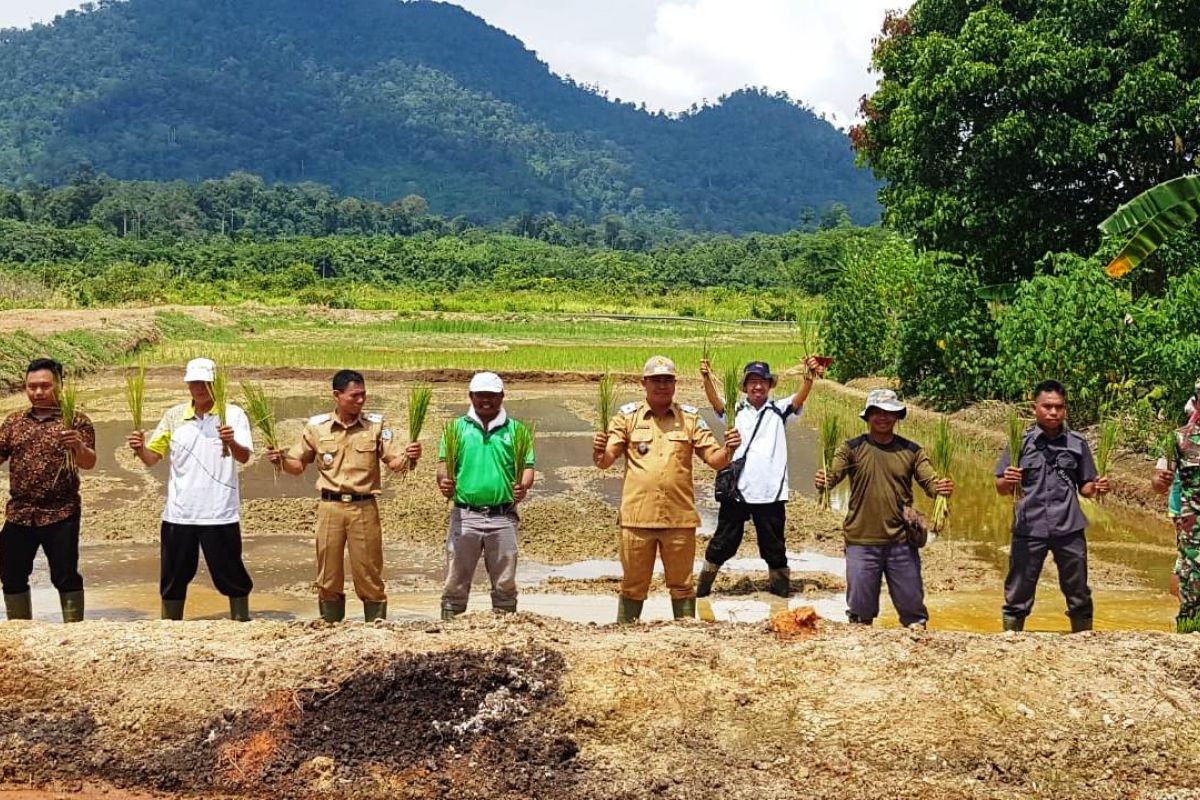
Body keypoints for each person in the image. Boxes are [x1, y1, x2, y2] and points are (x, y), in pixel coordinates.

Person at [592, 355, 741, 623]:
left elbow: (716, 461)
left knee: (683, 585)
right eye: (656, 380)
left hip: (679, 519)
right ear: (644, 383)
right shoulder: (627, 418)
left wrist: (729, 447)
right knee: (633, 586)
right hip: (637, 518)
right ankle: (625, 635)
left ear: (675, 384)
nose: (662, 385)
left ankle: (684, 638)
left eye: (667, 380)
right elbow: (605, 461)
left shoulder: (690, 419)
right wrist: (598, 449)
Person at [269, 370, 419, 623]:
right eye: (354, 396)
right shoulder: (316, 428)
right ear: (337, 396)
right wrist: (280, 460)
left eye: (363, 395)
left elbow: (394, 463)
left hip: (364, 508)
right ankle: (330, 626)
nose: (361, 401)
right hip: (331, 508)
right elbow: (296, 466)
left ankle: (375, 627)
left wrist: (410, 458)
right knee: (328, 575)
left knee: (368, 572)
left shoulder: (376, 426)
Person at [128, 358, 255, 621]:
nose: (199, 387)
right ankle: (171, 625)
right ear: (187, 383)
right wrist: (140, 449)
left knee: (231, 573)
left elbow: (244, 457)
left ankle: (241, 621)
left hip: (219, 512)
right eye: (194, 382)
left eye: (204, 381)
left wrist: (230, 442)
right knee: (173, 576)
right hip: (179, 514)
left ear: (215, 383)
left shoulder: (233, 415)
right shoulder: (175, 416)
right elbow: (153, 458)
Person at [814, 389, 953, 630]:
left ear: (897, 416)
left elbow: (930, 483)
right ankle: (861, 642)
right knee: (860, 609)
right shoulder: (852, 448)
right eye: (876, 412)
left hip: (901, 540)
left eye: (889, 412)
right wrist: (824, 480)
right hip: (861, 540)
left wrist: (941, 487)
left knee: (912, 606)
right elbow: (833, 474)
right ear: (867, 416)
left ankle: (917, 641)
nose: (882, 417)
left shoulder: (912, 451)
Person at [696, 356, 826, 598]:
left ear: (770, 385)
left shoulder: (779, 410)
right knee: (723, 542)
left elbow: (800, 398)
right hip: (738, 490)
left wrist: (809, 378)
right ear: (745, 387)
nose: (758, 386)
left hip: (770, 492)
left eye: (763, 381)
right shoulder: (735, 409)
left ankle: (780, 590)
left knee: (774, 546)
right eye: (752, 382)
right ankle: (703, 586)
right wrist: (706, 377)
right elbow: (715, 403)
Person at [994, 379, 1109, 632]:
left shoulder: (1077, 443)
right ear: (1035, 407)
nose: (1053, 412)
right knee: (1019, 590)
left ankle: (1083, 639)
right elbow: (1001, 487)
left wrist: (1097, 487)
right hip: (1029, 526)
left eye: (1059, 407)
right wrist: (1008, 480)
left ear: (1065, 409)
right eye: (1047, 406)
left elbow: (1086, 488)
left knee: (1077, 589)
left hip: (1068, 527)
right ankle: (1011, 639)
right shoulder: (1020, 443)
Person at [0, 358, 96, 622]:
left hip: (61, 513)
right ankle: (20, 628)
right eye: (32, 387)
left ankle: (74, 630)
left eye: (44, 386)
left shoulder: (75, 421)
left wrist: (78, 446)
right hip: (20, 513)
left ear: (59, 386)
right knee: (11, 574)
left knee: (65, 575)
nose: (38, 392)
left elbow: (89, 462)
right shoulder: (14, 423)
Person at [436, 372, 535, 619]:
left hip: (502, 517)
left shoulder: (517, 431)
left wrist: (523, 487)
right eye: (480, 396)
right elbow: (444, 465)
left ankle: (504, 627)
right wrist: (444, 482)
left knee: (505, 582)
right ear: (471, 396)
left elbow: (527, 468)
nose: (486, 401)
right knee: (455, 580)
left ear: (502, 396)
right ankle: (449, 628)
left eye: (492, 396)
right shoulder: (456, 429)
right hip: (465, 514)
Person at [1151, 388, 1200, 632]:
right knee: (1190, 576)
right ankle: (1188, 634)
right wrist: (1162, 481)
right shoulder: (1178, 439)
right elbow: (1157, 483)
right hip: (1193, 525)